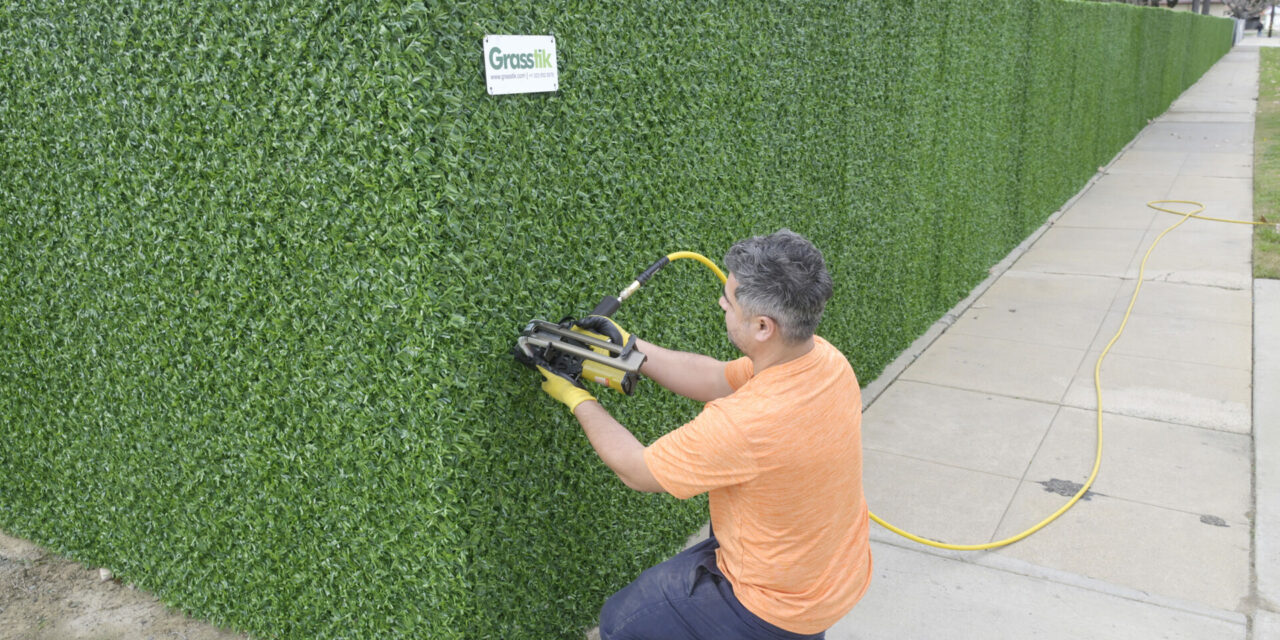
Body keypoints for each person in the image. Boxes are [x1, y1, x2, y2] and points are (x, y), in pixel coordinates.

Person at [534, 229, 872, 639]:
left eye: (728, 301)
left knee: (620, 621)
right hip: (829, 574)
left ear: (764, 326)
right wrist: (630, 346)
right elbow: (714, 376)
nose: (721, 303)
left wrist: (574, 397)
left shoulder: (746, 424)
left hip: (777, 607)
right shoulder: (826, 362)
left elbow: (636, 470)